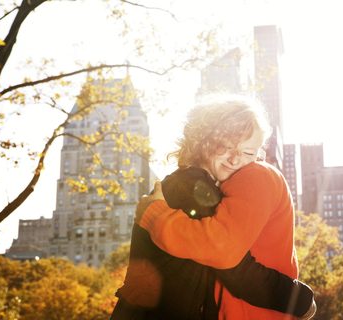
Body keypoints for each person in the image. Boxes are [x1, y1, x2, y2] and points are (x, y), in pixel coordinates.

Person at [132, 93, 316, 319]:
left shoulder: (234, 181)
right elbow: (231, 264)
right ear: (202, 142)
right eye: (225, 147)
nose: (235, 159)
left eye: (248, 152)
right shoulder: (189, 187)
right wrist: (299, 299)